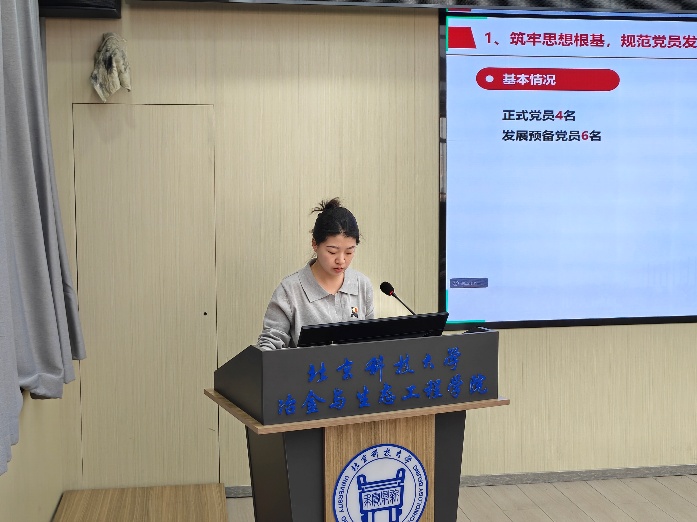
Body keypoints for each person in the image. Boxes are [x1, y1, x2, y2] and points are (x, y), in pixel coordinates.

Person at [257, 198, 374, 350]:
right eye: (332, 251)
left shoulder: (362, 285)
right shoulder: (290, 290)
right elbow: (269, 345)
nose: (341, 260)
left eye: (349, 252)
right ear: (315, 244)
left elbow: (370, 343)